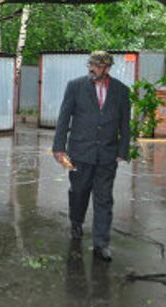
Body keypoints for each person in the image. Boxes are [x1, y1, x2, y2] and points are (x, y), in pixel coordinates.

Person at [52, 51, 130, 262]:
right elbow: (64, 118)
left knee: (104, 199)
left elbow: (125, 124)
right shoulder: (75, 86)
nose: (91, 68)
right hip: (80, 153)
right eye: (90, 64)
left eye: (96, 65)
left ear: (106, 68)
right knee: (79, 192)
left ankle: (101, 244)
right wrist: (59, 148)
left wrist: (122, 151)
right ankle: (76, 222)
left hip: (107, 155)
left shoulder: (121, 91)